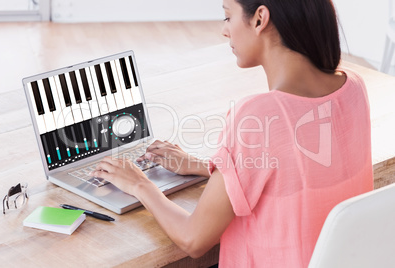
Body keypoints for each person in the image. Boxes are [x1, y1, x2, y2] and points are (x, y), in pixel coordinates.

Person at [91, 0, 374, 266]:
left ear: (260, 19)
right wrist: (208, 168)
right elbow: (294, 172)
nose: (224, 30)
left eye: (228, 15)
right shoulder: (353, 87)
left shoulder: (258, 115)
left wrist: (140, 183)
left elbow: (194, 239)